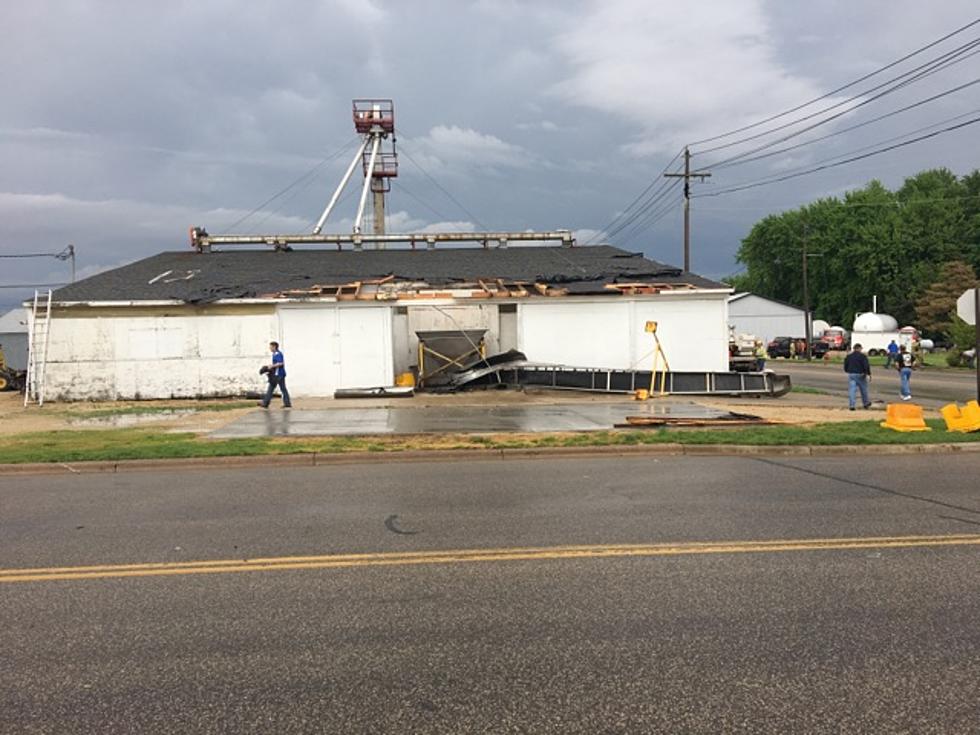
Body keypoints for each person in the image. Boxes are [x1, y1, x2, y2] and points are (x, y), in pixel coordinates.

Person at [260, 341, 291, 409]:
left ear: (274, 347)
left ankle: (265, 403)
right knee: (282, 389)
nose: (270, 348)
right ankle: (287, 403)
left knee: (271, 388)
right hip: (278, 374)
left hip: (279, 374)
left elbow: (281, 363)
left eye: (271, 347)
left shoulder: (278, 354)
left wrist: (272, 366)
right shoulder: (274, 354)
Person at [843, 343, 872, 410]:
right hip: (860, 374)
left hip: (851, 374)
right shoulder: (863, 356)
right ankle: (865, 403)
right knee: (863, 390)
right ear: (858, 348)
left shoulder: (849, 356)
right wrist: (868, 373)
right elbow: (866, 365)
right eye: (861, 348)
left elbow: (845, 365)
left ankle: (852, 405)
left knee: (852, 390)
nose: (861, 349)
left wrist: (847, 370)